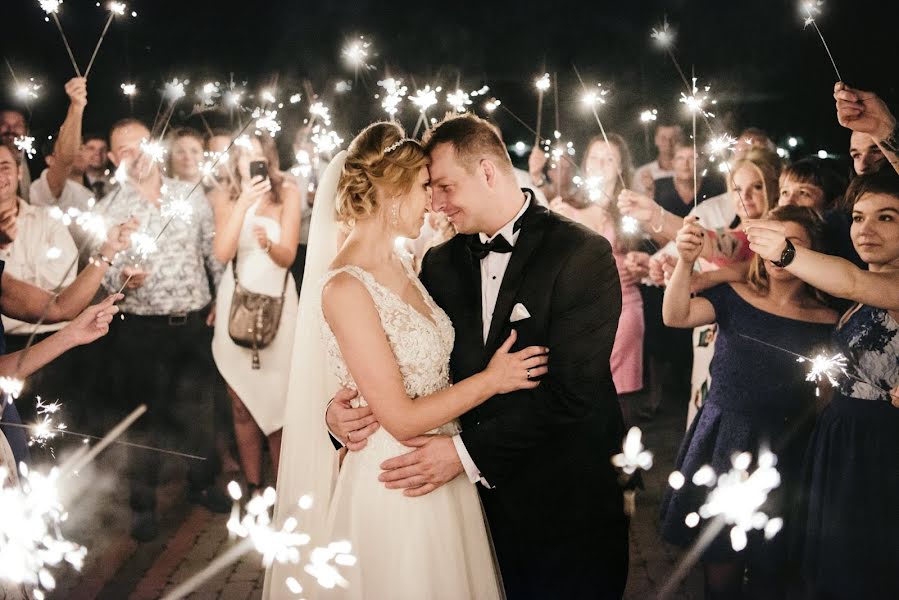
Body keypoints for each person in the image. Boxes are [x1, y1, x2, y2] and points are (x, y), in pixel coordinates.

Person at [320, 114, 628, 599]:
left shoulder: (581, 253)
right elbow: (414, 367)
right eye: (429, 188)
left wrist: (463, 455)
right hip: (466, 508)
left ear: (487, 171)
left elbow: (573, 395)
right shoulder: (438, 263)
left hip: (560, 507)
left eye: (444, 186)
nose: (437, 205)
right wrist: (341, 416)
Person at [269, 121, 551, 599]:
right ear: (391, 189)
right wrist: (493, 379)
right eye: (424, 187)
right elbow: (398, 418)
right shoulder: (345, 287)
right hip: (396, 483)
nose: (433, 202)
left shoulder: (407, 265)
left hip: (445, 472)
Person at [661, 206, 838, 599]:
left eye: (792, 245)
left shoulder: (826, 318)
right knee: (720, 571)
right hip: (726, 442)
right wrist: (685, 263)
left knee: (771, 572)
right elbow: (675, 316)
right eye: (771, 241)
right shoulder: (735, 295)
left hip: (787, 450)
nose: (778, 253)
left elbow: (826, 394)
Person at [745, 169, 899, 600]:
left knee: (867, 571)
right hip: (842, 439)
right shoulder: (863, 286)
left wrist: (786, 252)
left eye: (887, 217)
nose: (866, 229)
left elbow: (849, 278)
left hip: (880, 448)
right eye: (858, 216)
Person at [96, 118, 227, 542]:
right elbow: (101, 273)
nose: (136, 155)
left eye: (142, 145)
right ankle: (143, 507)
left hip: (192, 321)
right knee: (143, 420)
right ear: (115, 159)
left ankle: (202, 483)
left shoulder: (189, 193)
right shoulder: (109, 207)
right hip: (140, 329)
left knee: (200, 409)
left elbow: (213, 250)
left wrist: (221, 296)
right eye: (125, 149)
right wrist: (120, 280)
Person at [210, 133, 300, 495]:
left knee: (279, 404)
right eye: (242, 153)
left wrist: (269, 244)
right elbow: (222, 252)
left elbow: (288, 257)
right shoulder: (224, 196)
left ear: (267, 155)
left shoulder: (287, 192)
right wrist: (244, 203)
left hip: (279, 302)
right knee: (241, 403)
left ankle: (282, 490)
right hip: (236, 302)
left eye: (255, 152)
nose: (249, 158)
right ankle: (253, 485)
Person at [549, 133, 644, 418]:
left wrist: (643, 265)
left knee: (620, 397)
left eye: (609, 159)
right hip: (578, 314)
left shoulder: (631, 210)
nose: (600, 165)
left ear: (620, 167)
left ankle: (620, 458)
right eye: (595, 158)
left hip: (625, 308)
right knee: (581, 396)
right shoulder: (564, 208)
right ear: (585, 164)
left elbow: (646, 258)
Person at [652, 140, 726, 219]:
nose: (685, 164)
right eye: (680, 158)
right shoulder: (658, 187)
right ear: (673, 163)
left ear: (701, 162)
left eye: (692, 158)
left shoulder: (716, 187)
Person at [633, 122, 683, 195]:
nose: (668, 143)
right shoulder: (641, 174)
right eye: (663, 138)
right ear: (656, 140)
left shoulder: (689, 173)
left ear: (680, 140)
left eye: (673, 138)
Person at [0, 108, 31, 202]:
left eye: (18, 125)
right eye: (4, 124)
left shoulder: (40, 161)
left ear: (26, 131)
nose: (11, 129)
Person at [81, 133, 111, 198]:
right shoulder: (74, 184)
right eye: (91, 149)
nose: (98, 153)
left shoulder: (119, 183)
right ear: (82, 153)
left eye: (103, 149)